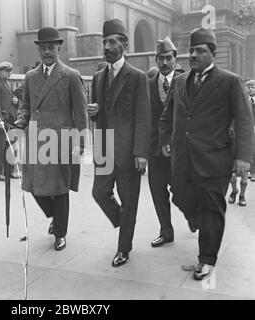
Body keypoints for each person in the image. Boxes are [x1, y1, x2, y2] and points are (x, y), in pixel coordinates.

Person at [159, 28, 254, 281]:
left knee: (212, 210)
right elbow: (167, 115)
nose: (193, 55)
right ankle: (197, 218)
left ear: (212, 53)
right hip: (183, 158)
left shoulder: (231, 82)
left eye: (200, 51)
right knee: (179, 196)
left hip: (215, 159)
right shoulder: (180, 81)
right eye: (191, 51)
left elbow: (245, 120)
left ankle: (206, 260)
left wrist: (243, 157)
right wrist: (165, 138)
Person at [15, 27, 87, 251]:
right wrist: (20, 121)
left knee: (60, 188)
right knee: (34, 186)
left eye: (51, 47)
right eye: (43, 48)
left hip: (62, 140)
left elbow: (81, 112)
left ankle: (60, 233)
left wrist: (80, 142)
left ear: (59, 48)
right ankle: (55, 217)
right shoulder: (30, 77)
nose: (47, 52)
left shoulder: (71, 76)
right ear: (39, 50)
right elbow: (26, 106)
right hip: (37, 140)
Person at [87, 19, 151, 267]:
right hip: (105, 150)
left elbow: (143, 118)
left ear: (124, 44)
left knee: (129, 201)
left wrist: (141, 153)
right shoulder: (98, 77)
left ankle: (124, 248)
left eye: (112, 41)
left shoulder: (137, 77)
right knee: (98, 192)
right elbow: (99, 114)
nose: (107, 46)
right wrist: (94, 113)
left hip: (128, 153)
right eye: (105, 42)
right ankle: (123, 221)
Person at [148, 37, 182, 248]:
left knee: (183, 191)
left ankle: (193, 217)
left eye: (168, 58)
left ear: (175, 59)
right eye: (160, 58)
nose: (165, 63)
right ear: (156, 60)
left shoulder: (186, 81)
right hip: (155, 151)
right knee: (157, 191)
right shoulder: (148, 85)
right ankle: (165, 231)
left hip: (180, 151)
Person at [0, 62, 19, 181]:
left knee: (11, 147)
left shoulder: (8, 84)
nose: (9, 73)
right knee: (0, 147)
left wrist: (15, 102)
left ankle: (9, 172)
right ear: (0, 72)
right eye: (7, 71)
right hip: (2, 122)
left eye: (10, 71)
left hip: (10, 121)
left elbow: (10, 103)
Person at [246, 79, 255, 181]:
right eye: (248, 87)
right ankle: (251, 171)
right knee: (250, 150)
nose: (250, 89)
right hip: (248, 129)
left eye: (253, 87)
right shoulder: (244, 100)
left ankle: (253, 172)